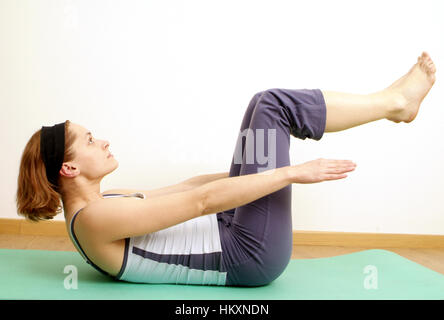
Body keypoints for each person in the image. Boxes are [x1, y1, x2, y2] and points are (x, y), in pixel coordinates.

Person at [16, 52, 436, 286]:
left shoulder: (102, 204)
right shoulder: (95, 219)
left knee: (261, 104)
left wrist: (252, 168)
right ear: (69, 167)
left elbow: (187, 187)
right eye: (90, 141)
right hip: (246, 256)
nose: (103, 141)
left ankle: (393, 103)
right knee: (273, 106)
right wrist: (289, 172)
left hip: (235, 231)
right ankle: (395, 104)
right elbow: (199, 202)